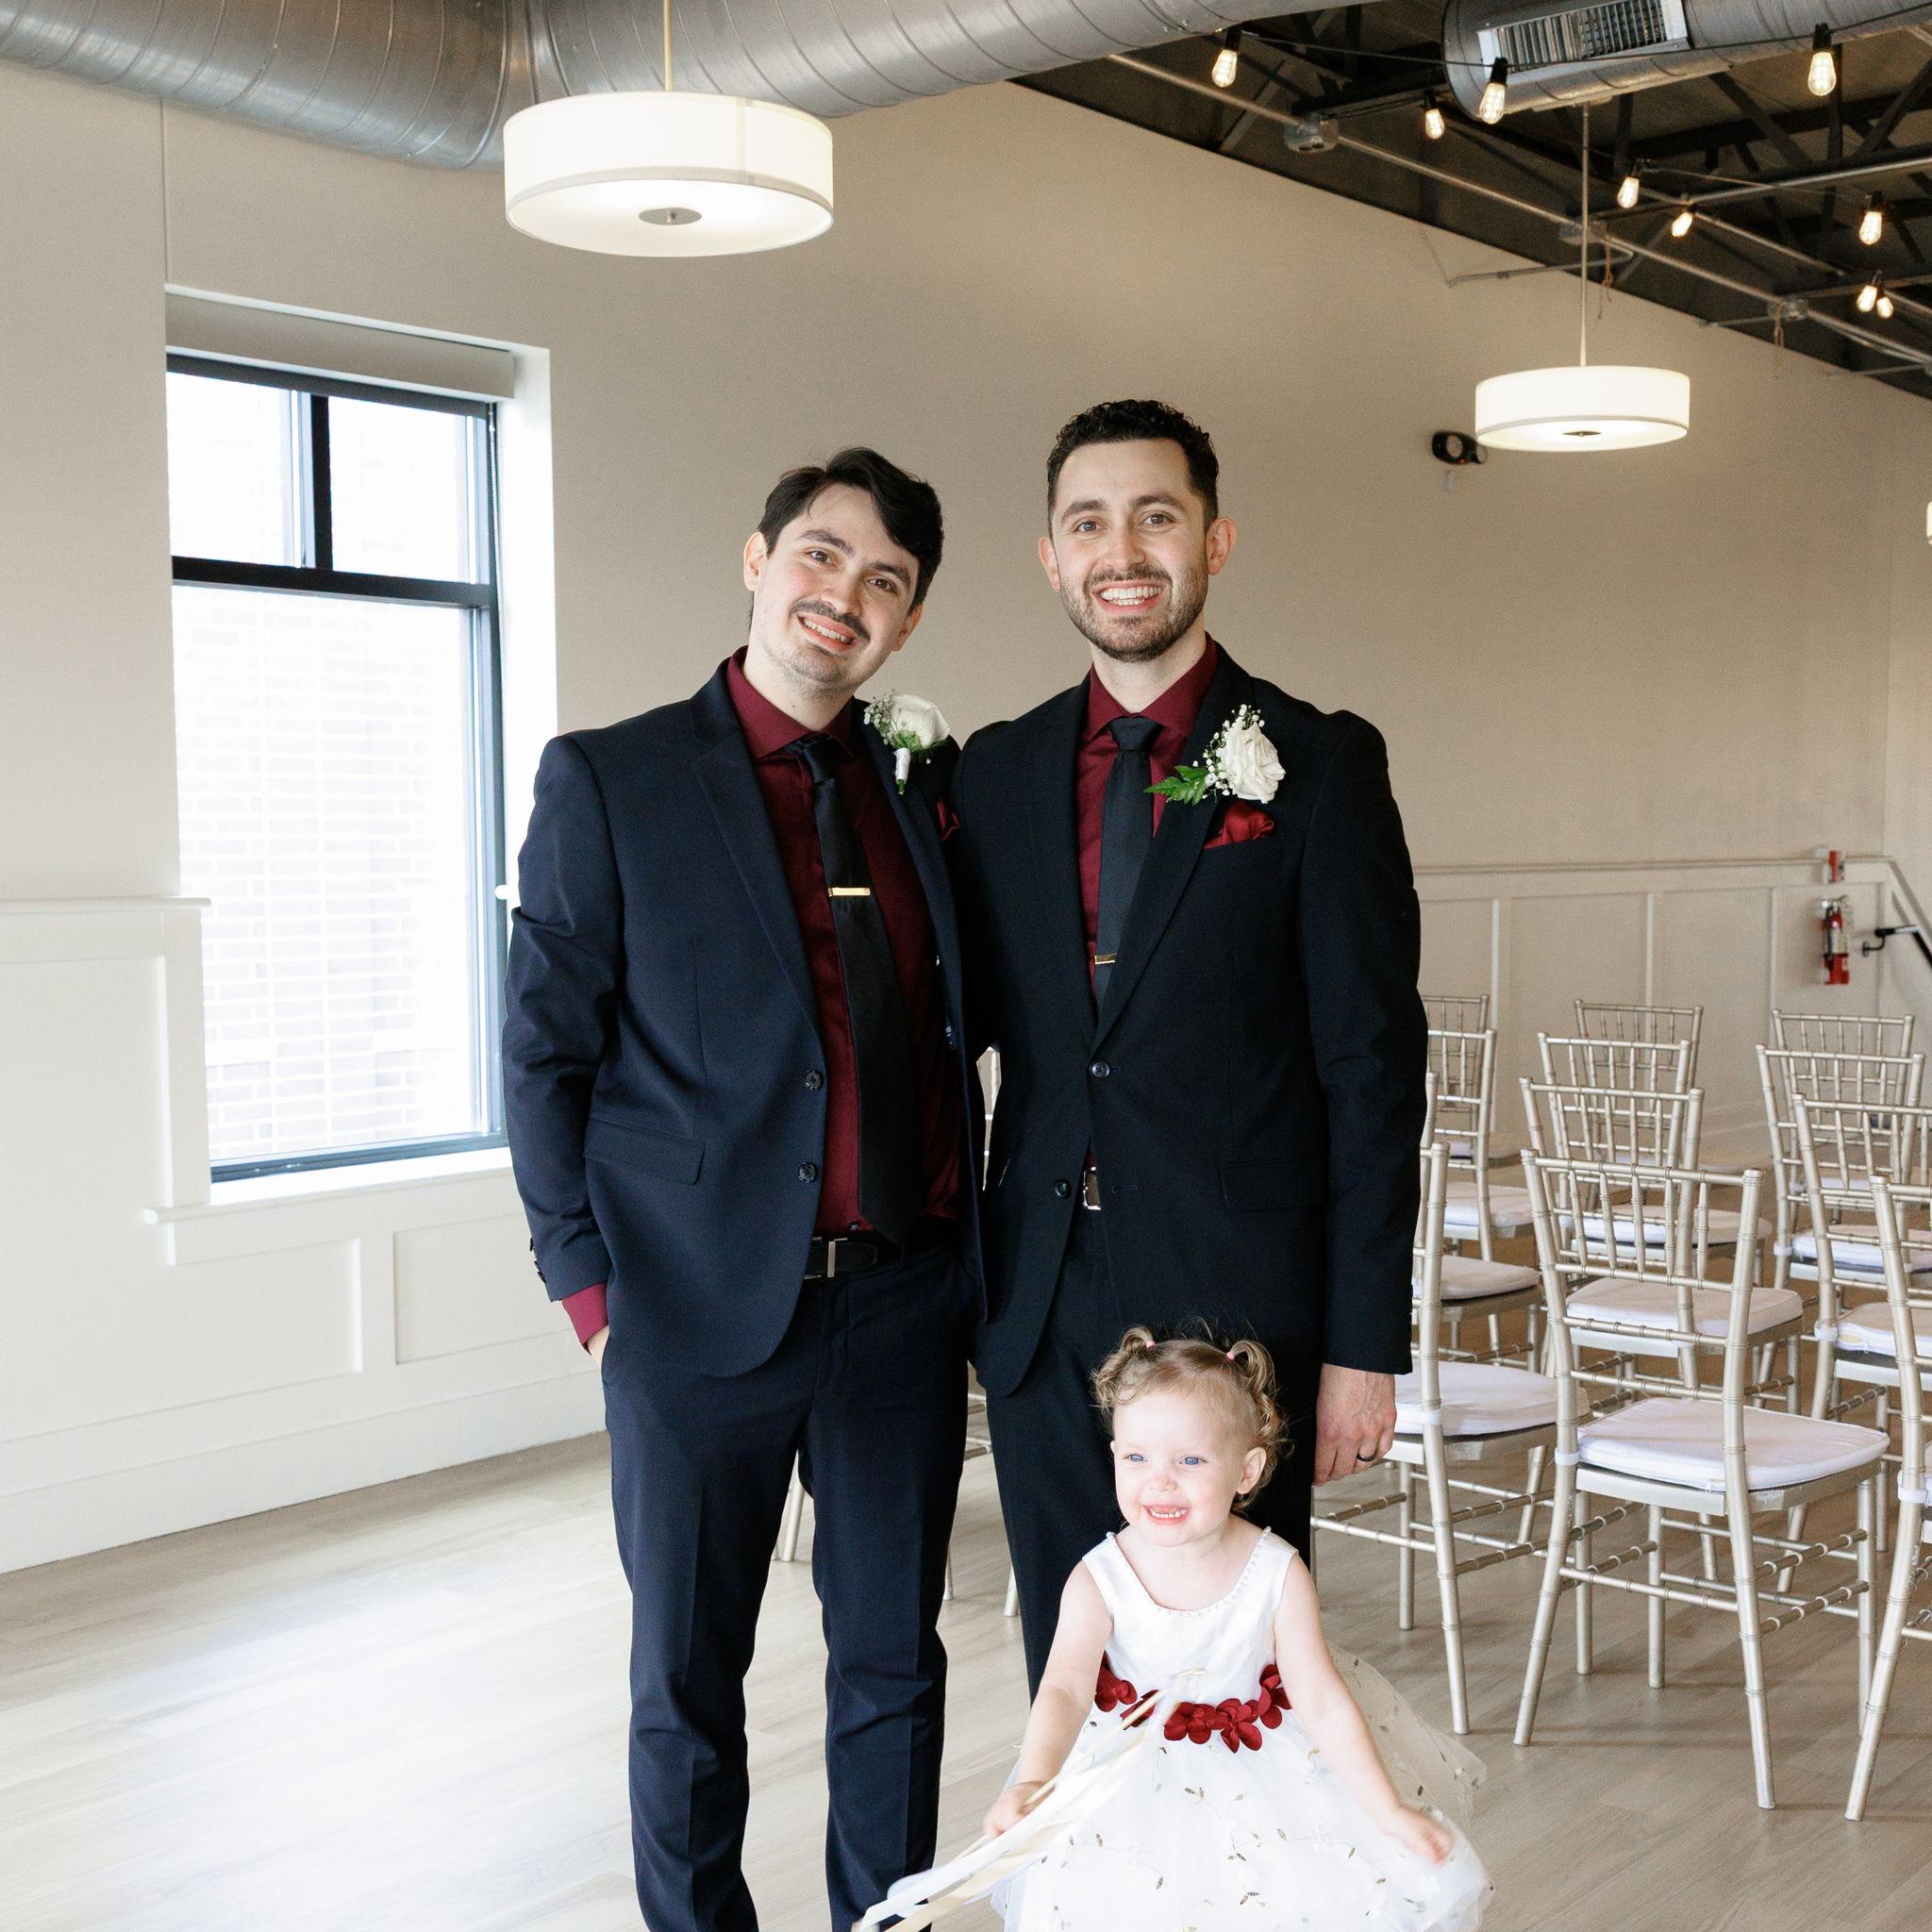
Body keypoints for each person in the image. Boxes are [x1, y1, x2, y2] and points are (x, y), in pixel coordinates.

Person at [502, 447, 982, 1932]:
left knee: (895, 1668)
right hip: (688, 1308)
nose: (846, 595)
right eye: (823, 555)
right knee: (688, 1680)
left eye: (886, 580)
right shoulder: (612, 778)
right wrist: (590, 1293)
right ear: (760, 559)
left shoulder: (925, 791)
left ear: (907, 622)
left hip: (901, 1305)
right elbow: (541, 1054)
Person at [948, 398, 1428, 1690]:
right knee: (1072, 1666)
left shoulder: (1319, 765)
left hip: (1238, 1306)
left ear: (1214, 541)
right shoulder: (993, 773)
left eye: (1154, 517)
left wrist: (1362, 1344)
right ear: (1050, 556)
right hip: (1042, 1299)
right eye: (1087, 523)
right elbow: (954, 1030)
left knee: (1232, 1680)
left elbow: (1371, 1073)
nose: (1122, 551)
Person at [983, 1328, 1491, 1929]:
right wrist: (1035, 1781)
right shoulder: (1099, 1579)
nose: (1160, 1480)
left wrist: (1387, 1810)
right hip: (1127, 1794)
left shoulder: (1276, 1572)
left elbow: (1322, 1699)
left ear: (1247, 1470)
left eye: (1190, 1460)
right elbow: (1065, 1690)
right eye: (1136, 1458)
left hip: (1266, 1783)